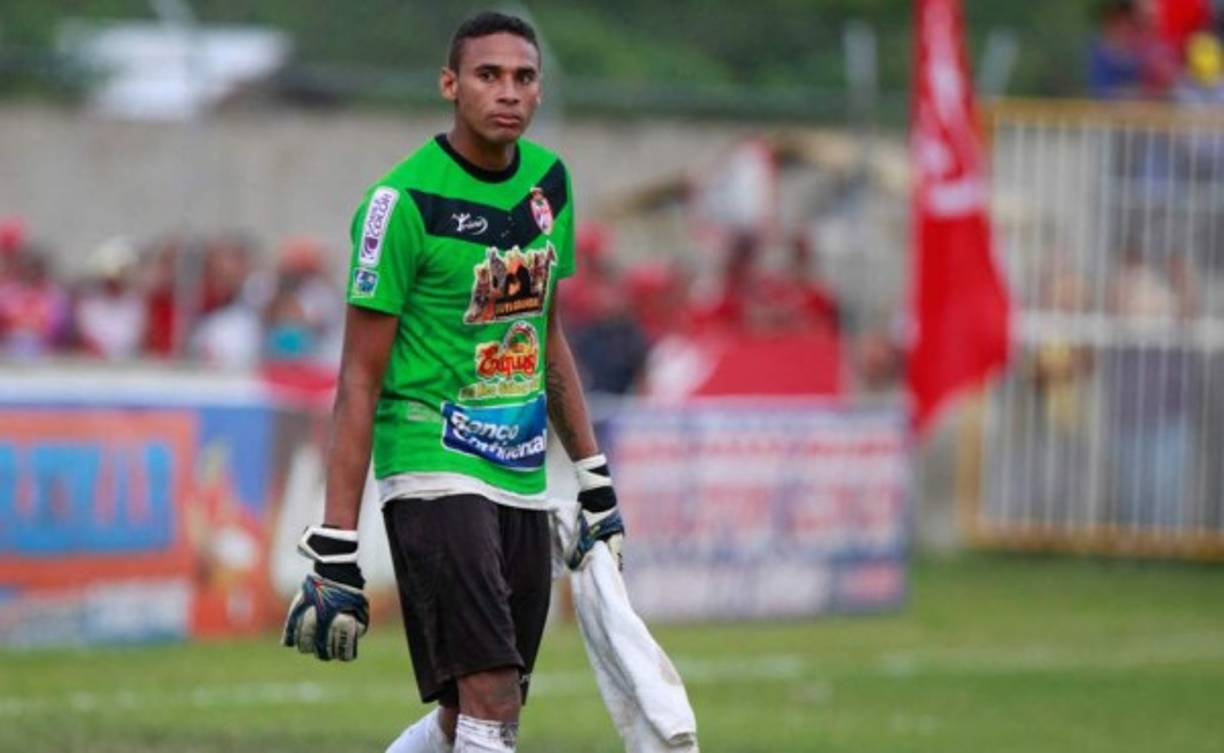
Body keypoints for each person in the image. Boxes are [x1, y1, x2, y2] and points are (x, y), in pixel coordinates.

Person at [280, 12, 625, 753]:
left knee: (474, 710)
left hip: (521, 469)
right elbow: (358, 380)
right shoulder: (400, 203)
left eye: (524, 77)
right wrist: (337, 540)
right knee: (490, 691)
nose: (508, 92)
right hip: (431, 465)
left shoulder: (549, 184)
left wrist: (593, 474)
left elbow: (548, 332)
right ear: (449, 85)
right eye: (488, 75)